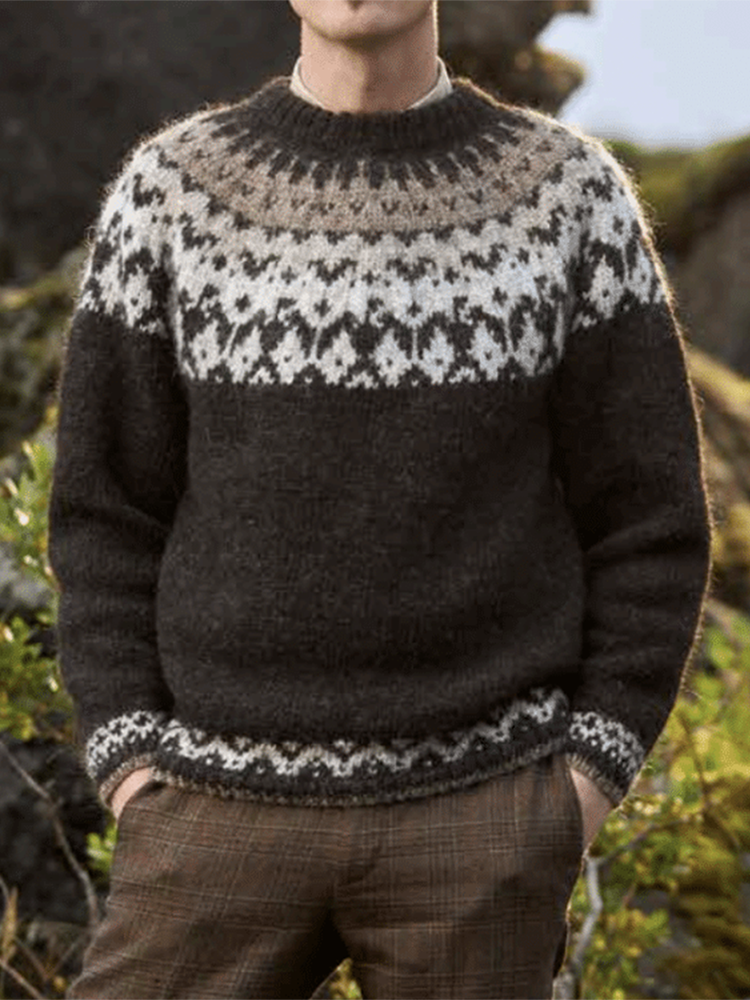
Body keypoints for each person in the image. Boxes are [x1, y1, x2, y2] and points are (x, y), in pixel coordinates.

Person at [48, 0, 712, 996]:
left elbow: (650, 516)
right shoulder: (171, 193)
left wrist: (581, 782)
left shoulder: (568, 196)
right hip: (207, 807)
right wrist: (130, 758)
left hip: (483, 815)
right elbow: (104, 511)